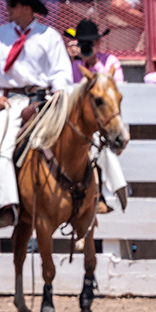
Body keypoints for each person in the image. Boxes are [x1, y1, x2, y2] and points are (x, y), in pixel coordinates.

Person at [0, 0, 75, 229]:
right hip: (11, 102)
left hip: (46, 99)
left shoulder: (50, 36)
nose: (8, 9)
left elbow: (61, 71)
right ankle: (7, 205)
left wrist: (59, 92)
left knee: (81, 137)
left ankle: (92, 196)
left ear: (27, 8)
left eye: (13, 5)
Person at [65, 18, 128, 215]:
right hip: (82, 124)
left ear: (97, 43)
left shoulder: (110, 62)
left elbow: (113, 88)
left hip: (105, 121)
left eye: (89, 43)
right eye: (83, 43)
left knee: (101, 146)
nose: (86, 47)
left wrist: (93, 66)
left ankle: (100, 194)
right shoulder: (74, 66)